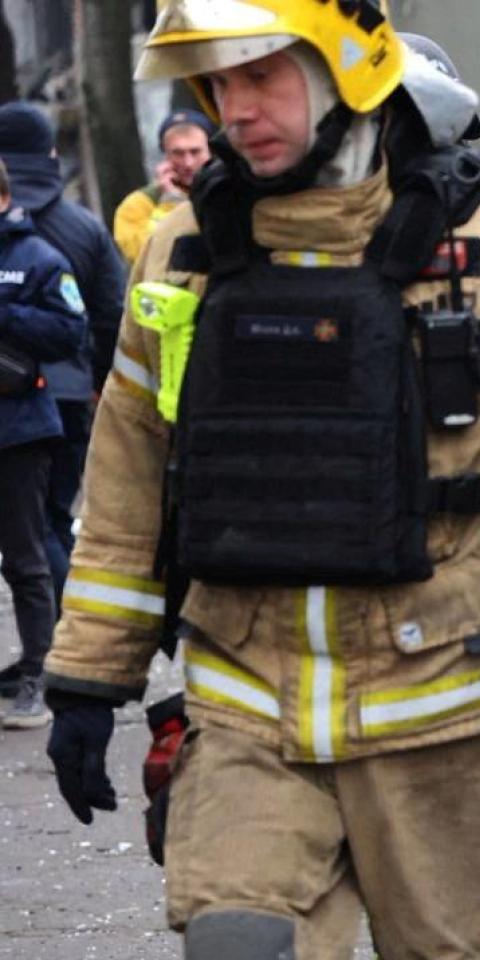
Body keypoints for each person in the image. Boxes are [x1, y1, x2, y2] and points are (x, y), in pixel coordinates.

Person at [40, 2, 480, 956]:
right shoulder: (183, 252)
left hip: (454, 717)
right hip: (248, 709)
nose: (237, 110)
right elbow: (130, 477)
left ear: (347, 67)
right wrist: (87, 676)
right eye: (218, 84)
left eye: (262, 75)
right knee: (237, 943)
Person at [0, 103, 127, 693]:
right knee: (50, 525)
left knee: (33, 537)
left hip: (29, 407)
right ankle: (58, 651)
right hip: (72, 395)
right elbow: (110, 313)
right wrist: (104, 380)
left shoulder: (36, 242)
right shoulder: (82, 226)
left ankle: (54, 654)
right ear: (50, 152)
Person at [0, 157, 87, 729]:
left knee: (26, 558)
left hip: (17, 430)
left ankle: (40, 672)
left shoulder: (38, 257)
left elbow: (69, 331)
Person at [112, 109, 216, 264]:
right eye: (178, 153)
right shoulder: (136, 206)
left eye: (195, 152)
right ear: (165, 155)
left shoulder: (228, 192)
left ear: (211, 152)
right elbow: (146, 256)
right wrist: (171, 203)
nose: (188, 163)